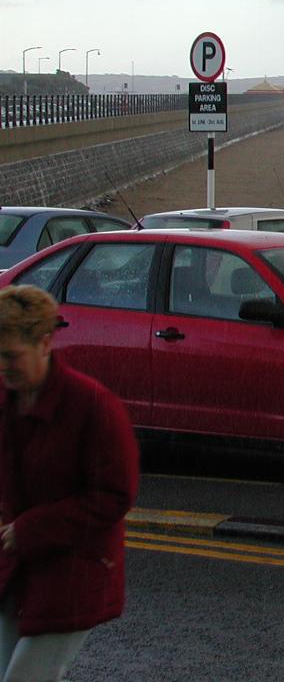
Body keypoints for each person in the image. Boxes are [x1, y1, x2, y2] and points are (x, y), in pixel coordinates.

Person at [0, 285, 139, 682]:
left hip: (75, 572)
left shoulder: (92, 407)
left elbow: (114, 495)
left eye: (11, 356)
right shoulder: (6, 398)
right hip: (17, 569)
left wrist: (29, 530)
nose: (3, 367)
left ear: (45, 343)